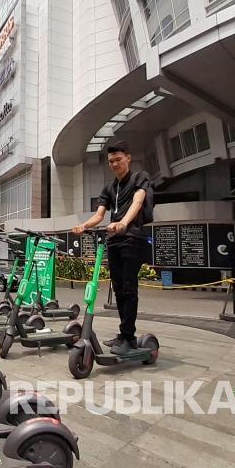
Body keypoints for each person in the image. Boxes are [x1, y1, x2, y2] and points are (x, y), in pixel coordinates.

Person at [73, 141, 152, 355]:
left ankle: (129, 337)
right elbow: (99, 215)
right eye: (111, 161)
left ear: (128, 157)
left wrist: (124, 222)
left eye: (118, 159)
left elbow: (138, 201)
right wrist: (83, 225)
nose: (115, 164)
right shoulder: (109, 188)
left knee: (128, 287)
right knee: (117, 288)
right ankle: (124, 334)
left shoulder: (139, 177)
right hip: (114, 239)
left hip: (132, 238)